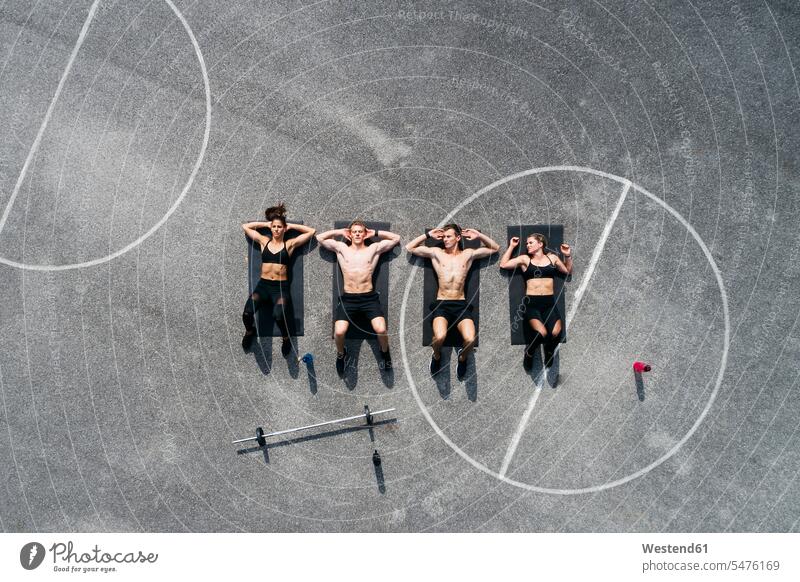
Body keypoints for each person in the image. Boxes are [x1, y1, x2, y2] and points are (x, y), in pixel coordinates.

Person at [406, 224, 500, 379]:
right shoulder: (437, 253)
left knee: (470, 339)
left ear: (458, 238)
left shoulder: (468, 254)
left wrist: (479, 235)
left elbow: (495, 248)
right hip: (442, 304)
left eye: (448, 236)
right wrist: (428, 235)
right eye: (443, 237)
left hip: (461, 304)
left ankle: (462, 358)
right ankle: (436, 356)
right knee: (440, 337)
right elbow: (410, 247)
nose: (445, 240)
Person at [316, 221, 401, 375]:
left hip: (369, 298)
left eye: (360, 232)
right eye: (354, 231)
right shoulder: (341, 248)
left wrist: (374, 233)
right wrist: (340, 232)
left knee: (381, 329)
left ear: (364, 234)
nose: (357, 234)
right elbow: (320, 238)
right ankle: (341, 354)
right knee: (339, 333)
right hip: (348, 299)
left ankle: (385, 351)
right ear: (350, 234)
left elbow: (396, 238)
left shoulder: (373, 249)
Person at [241, 204, 316, 356]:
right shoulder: (264, 241)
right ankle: (250, 331)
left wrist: (291, 226)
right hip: (263, 286)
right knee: (247, 313)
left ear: (283, 228)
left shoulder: (289, 244)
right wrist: (265, 224)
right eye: (274, 226)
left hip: (280, 288)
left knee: (279, 315)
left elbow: (311, 232)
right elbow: (245, 227)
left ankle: (286, 337)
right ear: (271, 228)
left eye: (279, 227)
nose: (276, 229)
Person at [499, 233, 573, 369]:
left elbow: (568, 271)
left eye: (530, 243)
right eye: (526, 243)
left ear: (540, 244)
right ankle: (529, 352)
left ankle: (549, 350)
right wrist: (511, 246)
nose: (527, 245)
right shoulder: (525, 259)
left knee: (556, 333)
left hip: (549, 303)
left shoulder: (553, 258)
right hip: (532, 304)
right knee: (541, 334)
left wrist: (567, 255)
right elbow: (503, 264)